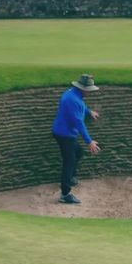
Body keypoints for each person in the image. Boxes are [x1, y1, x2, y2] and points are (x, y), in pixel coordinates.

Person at [51, 74, 101, 204]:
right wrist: (89, 141)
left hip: (62, 131)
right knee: (69, 161)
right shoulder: (74, 101)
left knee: (78, 153)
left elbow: (80, 107)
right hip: (65, 135)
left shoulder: (72, 93)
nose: (90, 92)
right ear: (83, 89)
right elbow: (79, 123)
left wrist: (89, 112)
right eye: (89, 90)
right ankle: (65, 194)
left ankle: (71, 178)